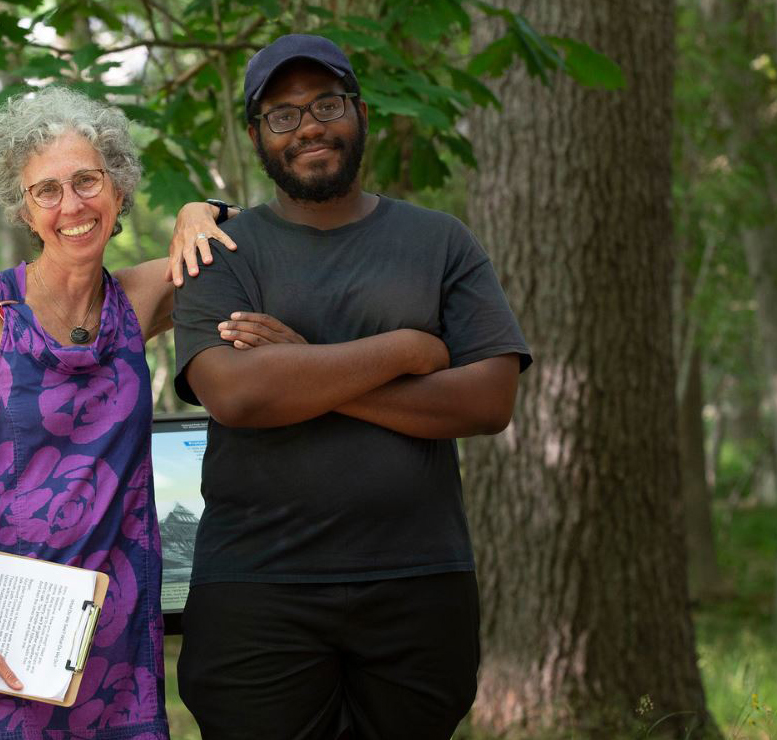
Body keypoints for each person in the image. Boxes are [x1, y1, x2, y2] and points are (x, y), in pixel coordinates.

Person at [171, 34, 534, 740]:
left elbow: (487, 401)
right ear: (255, 135)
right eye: (281, 114)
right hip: (254, 585)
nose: (307, 125)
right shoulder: (219, 249)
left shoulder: (439, 242)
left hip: (419, 580)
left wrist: (302, 361)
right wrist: (405, 350)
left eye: (326, 104)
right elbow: (238, 396)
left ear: (359, 112)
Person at [0, 85, 237, 739]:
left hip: (99, 625)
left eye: (87, 181)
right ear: (26, 212)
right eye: (46, 191)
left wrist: (200, 210)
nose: (71, 206)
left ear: (117, 190)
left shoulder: (136, 299)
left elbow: (251, 238)